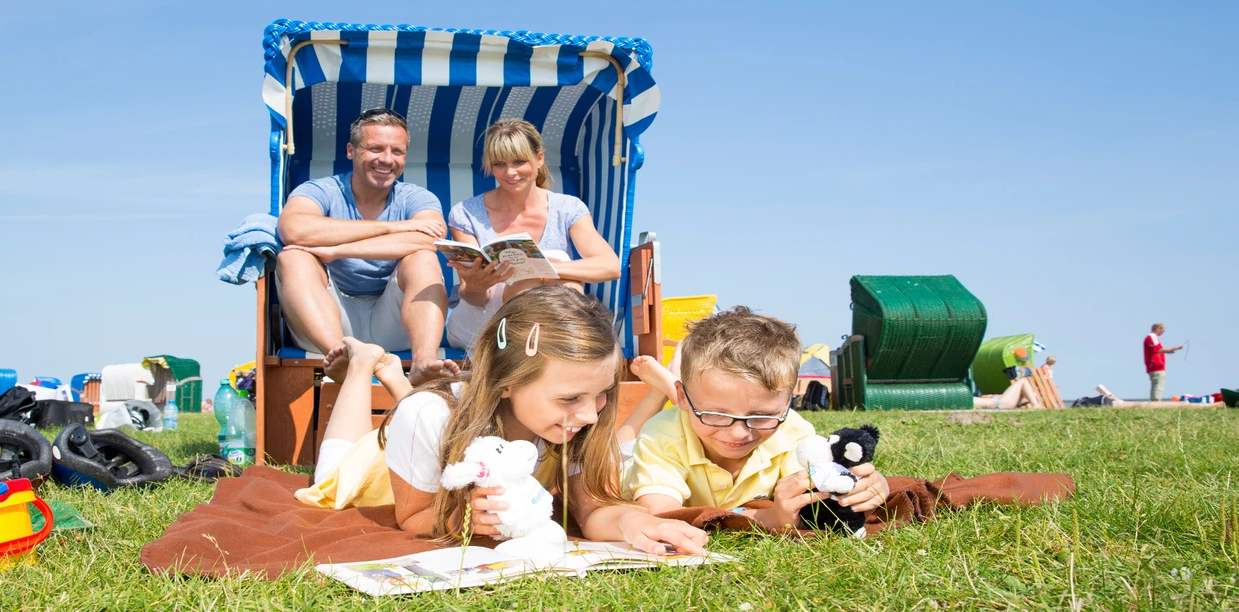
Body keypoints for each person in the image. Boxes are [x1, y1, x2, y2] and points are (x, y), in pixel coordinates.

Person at [297, 285, 708, 554]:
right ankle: (362, 366)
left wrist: (633, 522)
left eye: (602, 395)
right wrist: (465, 518)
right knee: (332, 474)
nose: (588, 414)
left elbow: (592, 509)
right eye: (569, 398)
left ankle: (390, 376)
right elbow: (413, 516)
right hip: (381, 469)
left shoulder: (578, 419)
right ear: (505, 382)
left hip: (448, 427)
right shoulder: (426, 416)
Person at [623, 307, 890, 530]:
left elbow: (816, 494)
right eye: (715, 414)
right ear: (682, 398)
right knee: (612, 451)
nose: (739, 433)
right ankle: (663, 388)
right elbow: (661, 514)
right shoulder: (661, 436)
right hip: (625, 462)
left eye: (762, 416)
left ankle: (673, 382)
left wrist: (866, 488)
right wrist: (765, 519)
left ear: (787, 403)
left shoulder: (794, 431)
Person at [275, 108, 458, 385]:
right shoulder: (320, 190)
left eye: (397, 151)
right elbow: (293, 230)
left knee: (422, 257)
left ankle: (424, 361)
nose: (386, 159)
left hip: (394, 321)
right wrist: (394, 227)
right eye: (375, 148)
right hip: (328, 321)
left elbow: (430, 239)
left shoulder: (417, 197)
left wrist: (338, 250)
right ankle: (341, 358)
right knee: (293, 258)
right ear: (351, 150)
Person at [444, 119, 621, 351]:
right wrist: (476, 285)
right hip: (480, 317)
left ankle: (538, 349)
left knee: (557, 267)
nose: (510, 172)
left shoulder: (566, 208)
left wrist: (542, 267)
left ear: (539, 159)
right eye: (499, 164)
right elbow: (476, 297)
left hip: (546, 317)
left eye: (519, 162)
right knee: (532, 279)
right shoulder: (466, 213)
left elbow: (610, 266)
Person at [1143, 323, 1183, 401]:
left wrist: (1169, 351)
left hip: (1156, 365)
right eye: (1162, 330)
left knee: (1157, 383)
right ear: (1158, 329)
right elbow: (1158, 350)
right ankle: (1156, 400)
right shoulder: (1151, 337)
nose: (1162, 333)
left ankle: (1155, 400)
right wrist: (1174, 348)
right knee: (1158, 384)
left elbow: (1158, 350)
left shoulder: (1152, 338)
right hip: (1155, 365)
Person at [972, 377, 1045, 409]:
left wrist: (993, 396)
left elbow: (984, 397)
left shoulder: (967, 400)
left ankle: (1034, 402)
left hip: (998, 402)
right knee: (1023, 381)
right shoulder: (966, 400)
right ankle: (1036, 404)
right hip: (1000, 403)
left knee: (1024, 383)